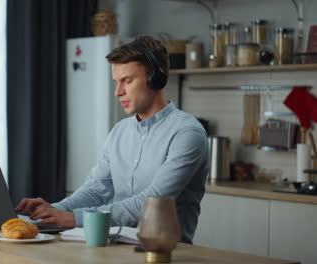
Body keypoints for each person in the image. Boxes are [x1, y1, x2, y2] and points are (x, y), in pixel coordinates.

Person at [16, 35, 209, 244]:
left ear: (156, 78)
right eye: (116, 82)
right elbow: (95, 190)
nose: (118, 92)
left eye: (127, 80)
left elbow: (152, 202)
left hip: (167, 253)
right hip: (115, 248)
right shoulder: (120, 131)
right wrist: (52, 210)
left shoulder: (187, 133)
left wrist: (73, 218)